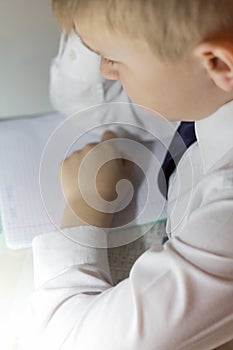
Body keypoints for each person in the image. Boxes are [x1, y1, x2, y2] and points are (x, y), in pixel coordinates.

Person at [25, 1, 233, 349]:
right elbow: (94, 109)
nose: (105, 71)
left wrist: (82, 206)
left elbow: (67, 340)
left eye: (113, 60)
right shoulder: (207, 90)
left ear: (218, 63)